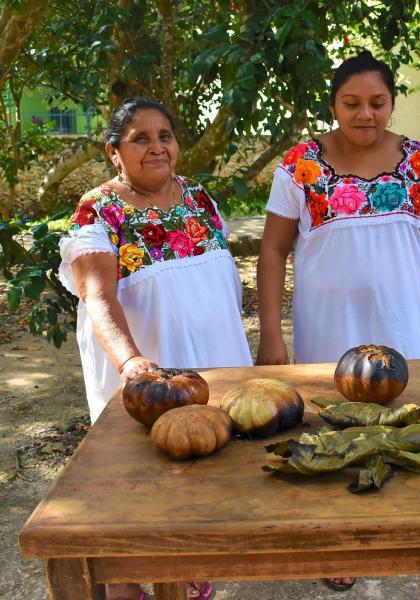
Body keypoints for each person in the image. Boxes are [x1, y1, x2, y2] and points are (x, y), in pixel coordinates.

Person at [257, 50, 420, 590]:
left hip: (400, 320)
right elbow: (272, 252)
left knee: (409, 424)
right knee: (333, 431)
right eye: (352, 103)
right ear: (334, 104)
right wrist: (272, 334)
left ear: (392, 103)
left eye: (377, 102)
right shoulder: (300, 166)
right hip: (326, 324)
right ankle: (342, 545)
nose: (365, 114)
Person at [60, 96, 252, 600]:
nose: (156, 147)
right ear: (113, 152)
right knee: (138, 469)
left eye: (164, 135)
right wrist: (131, 363)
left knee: (203, 455)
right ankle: (123, 581)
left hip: (212, 354)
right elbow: (98, 295)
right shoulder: (98, 209)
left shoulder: (199, 199)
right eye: (139, 139)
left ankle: (187, 557)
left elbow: (216, 280)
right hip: (148, 362)